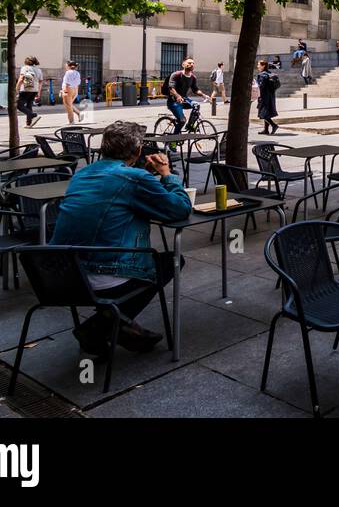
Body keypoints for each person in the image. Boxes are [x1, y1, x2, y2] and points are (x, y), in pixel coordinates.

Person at [49, 120, 191, 355]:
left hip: (62, 274)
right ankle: (103, 324)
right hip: (103, 275)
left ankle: (118, 323)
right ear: (137, 151)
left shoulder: (82, 174)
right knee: (173, 261)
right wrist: (167, 174)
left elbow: (117, 191)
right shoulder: (134, 179)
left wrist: (143, 174)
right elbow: (179, 209)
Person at [164, 59, 205, 132]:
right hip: (173, 101)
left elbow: (195, 89)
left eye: (193, 63)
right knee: (182, 120)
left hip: (184, 99)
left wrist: (204, 95)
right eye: (189, 63)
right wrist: (177, 96)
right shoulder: (176, 74)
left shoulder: (193, 77)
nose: (192, 64)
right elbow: (171, 88)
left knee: (196, 105)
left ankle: (190, 125)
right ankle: (173, 141)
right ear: (183, 64)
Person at [256, 59, 280, 135]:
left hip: (263, 96)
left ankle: (274, 125)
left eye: (259, 64)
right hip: (271, 96)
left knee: (263, 113)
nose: (257, 66)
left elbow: (261, 86)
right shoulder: (270, 74)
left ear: (263, 66)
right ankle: (266, 130)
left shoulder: (262, 75)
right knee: (266, 113)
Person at [16, 56, 41, 127]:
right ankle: (29, 123)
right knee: (29, 105)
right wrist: (38, 92)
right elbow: (40, 81)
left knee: (19, 105)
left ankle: (33, 115)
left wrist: (17, 89)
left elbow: (21, 79)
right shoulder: (38, 70)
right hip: (35, 90)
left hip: (26, 89)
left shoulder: (25, 68)